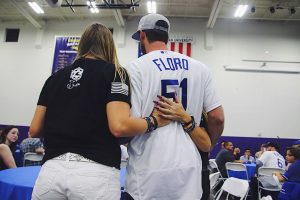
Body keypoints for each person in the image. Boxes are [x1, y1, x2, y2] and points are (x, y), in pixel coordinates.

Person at [29, 23, 169, 200]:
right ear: (109, 46)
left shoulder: (54, 78)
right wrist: (153, 121)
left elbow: (34, 129)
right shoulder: (116, 73)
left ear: (82, 44)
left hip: (50, 172)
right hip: (95, 171)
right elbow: (119, 126)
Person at [124, 13, 224, 200]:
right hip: (188, 169)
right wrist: (206, 141)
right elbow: (218, 118)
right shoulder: (200, 68)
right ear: (167, 38)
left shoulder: (134, 68)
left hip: (147, 169)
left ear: (143, 35)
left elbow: (129, 125)